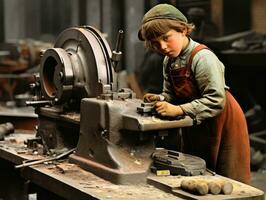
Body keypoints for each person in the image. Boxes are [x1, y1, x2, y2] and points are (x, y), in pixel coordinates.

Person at [138, 3, 250, 184]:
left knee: (228, 178)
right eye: (155, 43)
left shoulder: (202, 58)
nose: (163, 46)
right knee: (198, 173)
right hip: (197, 121)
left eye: (167, 38)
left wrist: (179, 110)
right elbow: (172, 95)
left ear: (183, 30)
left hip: (222, 119)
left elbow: (215, 100)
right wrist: (161, 98)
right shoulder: (169, 60)